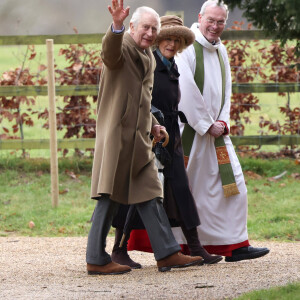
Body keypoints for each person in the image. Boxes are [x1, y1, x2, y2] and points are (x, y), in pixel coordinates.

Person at [86, 0, 203, 275]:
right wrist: (115, 27)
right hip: (117, 139)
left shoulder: (148, 56)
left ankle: (166, 253)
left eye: (154, 29)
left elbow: (142, 99)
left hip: (138, 140)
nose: (150, 33)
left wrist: (153, 124)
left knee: (150, 191)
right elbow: (109, 53)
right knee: (108, 196)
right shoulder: (123, 46)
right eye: (145, 28)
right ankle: (95, 258)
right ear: (132, 27)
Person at [172, 0, 270, 262]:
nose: (215, 26)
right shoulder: (187, 47)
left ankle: (235, 245)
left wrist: (223, 123)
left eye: (220, 22)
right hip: (193, 134)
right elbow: (186, 91)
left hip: (217, 134)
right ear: (200, 17)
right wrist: (206, 124)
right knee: (191, 192)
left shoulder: (221, 50)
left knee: (234, 186)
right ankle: (183, 247)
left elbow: (226, 90)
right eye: (211, 20)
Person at [125, 15, 222, 265]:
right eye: (167, 38)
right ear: (157, 39)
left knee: (180, 186)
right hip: (149, 132)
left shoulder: (173, 65)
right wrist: (152, 126)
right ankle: (118, 248)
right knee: (138, 190)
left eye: (177, 40)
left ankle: (195, 246)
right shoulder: (148, 62)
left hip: (171, 133)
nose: (172, 43)